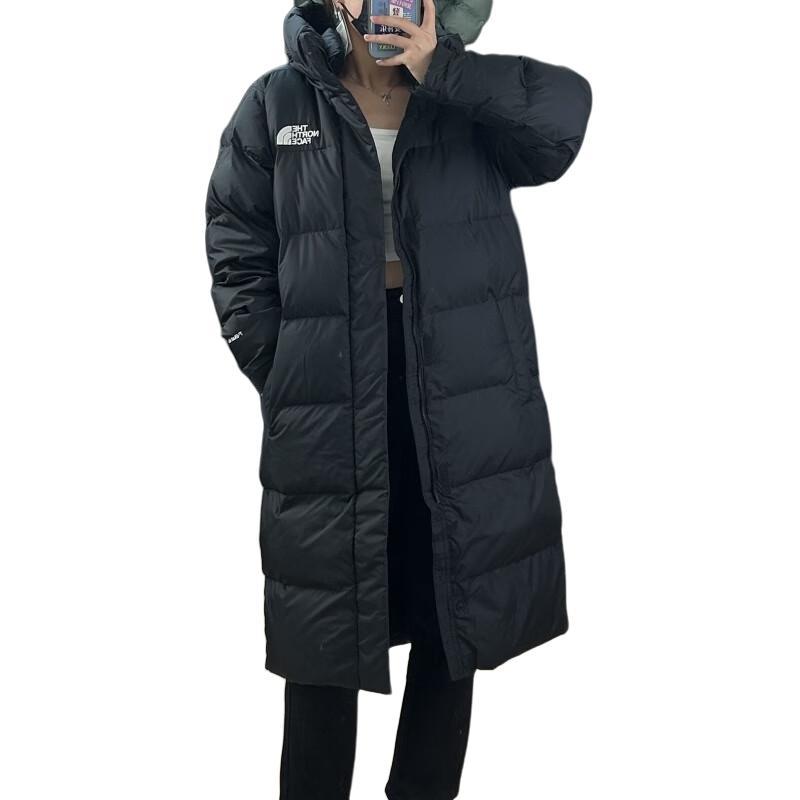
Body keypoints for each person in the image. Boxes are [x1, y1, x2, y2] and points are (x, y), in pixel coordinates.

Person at [204, 0, 591, 796]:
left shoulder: (463, 98)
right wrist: (279, 363)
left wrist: (442, 69)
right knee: (326, 625)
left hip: (459, 383)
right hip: (331, 390)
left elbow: (564, 119)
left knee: (454, 606)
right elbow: (235, 233)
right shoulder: (279, 101)